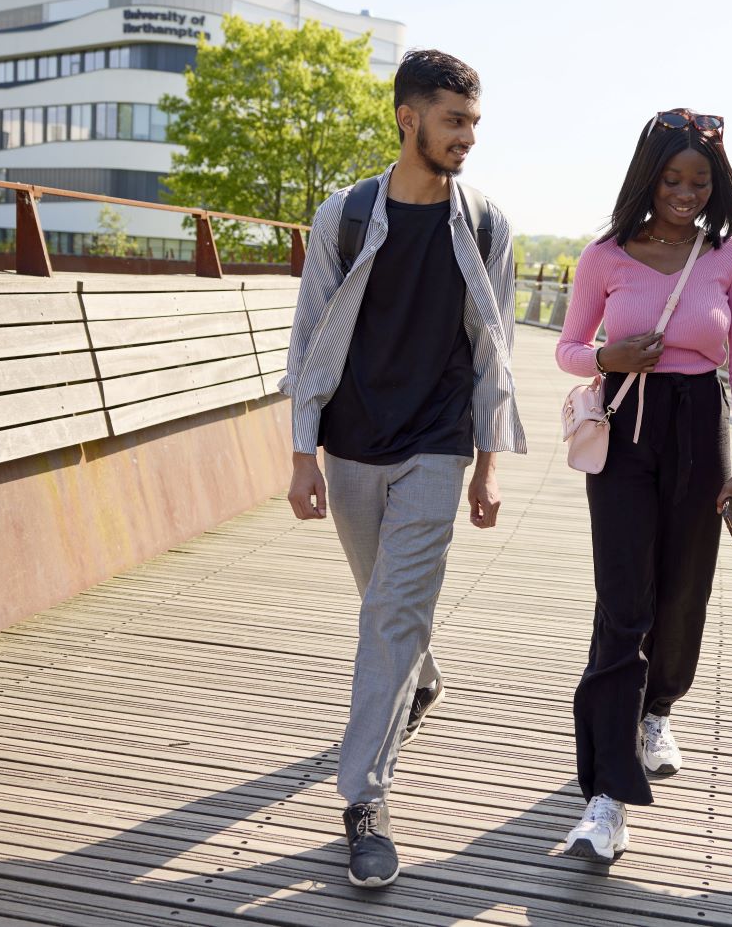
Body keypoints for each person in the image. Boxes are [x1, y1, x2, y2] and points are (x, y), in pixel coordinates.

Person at [279, 49, 525, 888]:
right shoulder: (343, 216)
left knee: (389, 612)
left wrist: (488, 463)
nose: (467, 138)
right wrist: (301, 452)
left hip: (436, 443)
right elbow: (310, 336)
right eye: (454, 121)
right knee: (382, 600)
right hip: (351, 443)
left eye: (474, 123)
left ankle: (364, 803)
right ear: (407, 118)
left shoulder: (486, 224)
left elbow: (496, 349)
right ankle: (418, 681)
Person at [554, 109, 732, 862]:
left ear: (716, 185)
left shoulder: (731, 259)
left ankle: (657, 709)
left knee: (682, 593)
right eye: (672, 178)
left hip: (699, 428)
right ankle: (606, 796)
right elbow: (568, 350)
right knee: (624, 604)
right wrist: (609, 357)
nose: (684, 192)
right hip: (626, 429)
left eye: (698, 181)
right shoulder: (605, 255)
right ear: (649, 178)